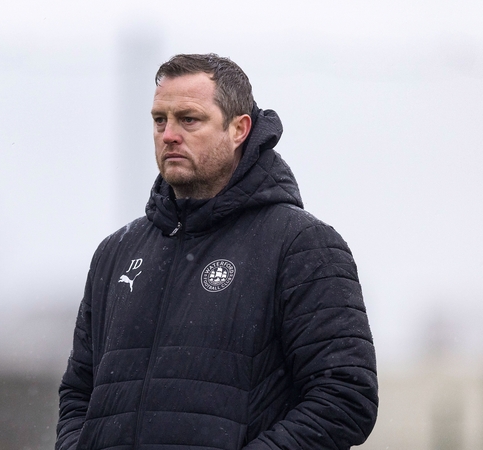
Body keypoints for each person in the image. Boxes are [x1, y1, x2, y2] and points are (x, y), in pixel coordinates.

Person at [56, 53, 378, 450]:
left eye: (189, 119)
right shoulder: (116, 253)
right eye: (160, 120)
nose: (169, 134)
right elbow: (78, 394)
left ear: (239, 129)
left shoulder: (302, 245)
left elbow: (345, 397)